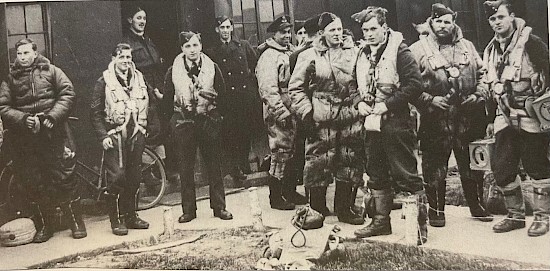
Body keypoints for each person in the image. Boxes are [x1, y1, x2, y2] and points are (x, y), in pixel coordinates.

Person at [409, 3, 493, 227]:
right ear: (431, 22)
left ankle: (476, 205)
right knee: (434, 165)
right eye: (439, 21)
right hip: (436, 117)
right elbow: (409, 85)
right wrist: (430, 100)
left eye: (447, 21)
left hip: (468, 115)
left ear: (453, 22)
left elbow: (484, 74)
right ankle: (436, 210)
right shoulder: (418, 49)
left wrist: (479, 94)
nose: (443, 26)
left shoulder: (467, 46)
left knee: (471, 164)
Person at [349, 7, 427, 244]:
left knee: (405, 173)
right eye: (365, 30)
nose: (370, 34)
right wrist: (358, 102)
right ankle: (381, 222)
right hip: (371, 123)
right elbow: (353, 83)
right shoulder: (362, 52)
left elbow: (415, 84)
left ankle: (418, 227)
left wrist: (388, 105)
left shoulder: (399, 50)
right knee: (376, 172)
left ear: (384, 28)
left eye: (374, 29)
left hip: (396, 122)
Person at [0, 38, 86, 242]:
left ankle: (75, 222)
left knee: (64, 176)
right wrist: (23, 119)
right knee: (36, 181)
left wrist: (52, 117)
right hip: (27, 139)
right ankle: (47, 226)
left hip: (54, 133)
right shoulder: (10, 79)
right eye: (19, 54)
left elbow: (68, 94)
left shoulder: (51, 71)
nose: (22, 58)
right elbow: (3, 106)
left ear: (35, 53)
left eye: (26, 53)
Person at [288, 12, 365, 225]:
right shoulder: (310, 55)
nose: (337, 34)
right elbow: (295, 88)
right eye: (332, 30)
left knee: (349, 161)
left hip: (350, 117)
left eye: (340, 29)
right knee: (318, 162)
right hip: (321, 118)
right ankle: (316, 210)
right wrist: (306, 114)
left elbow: (363, 83)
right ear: (322, 33)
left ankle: (345, 209)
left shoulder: (356, 53)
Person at [482, 0, 550, 237]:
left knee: (537, 166)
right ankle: (515, 215)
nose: (497, 22)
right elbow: (491, 86)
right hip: (504, 115)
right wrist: (491, 119)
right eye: (492, 19)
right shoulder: (490, 49)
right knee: (501, 167)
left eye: (501, 17)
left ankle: (542, 218)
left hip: (531, 115)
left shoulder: (532, 43)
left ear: (511, 16)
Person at [161, 32, 233, 223]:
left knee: (214, 165)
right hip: (184, 122)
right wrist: (173, 124)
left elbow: (223, 95)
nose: (192, 50)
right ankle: (189, 210)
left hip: (208, 119)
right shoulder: (173, 71)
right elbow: (167, 101)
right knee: (186, 167)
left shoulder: (212, 68)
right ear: (182, 49)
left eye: (195, 45)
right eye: (187, 47)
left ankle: (219, 207)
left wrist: (218, 119)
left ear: (200, 46)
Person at [91, 43, 151, 236]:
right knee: (117, 176)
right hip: (114, 135)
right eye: (122, 57)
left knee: (134, 177)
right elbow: (95, 112)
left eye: (128, 57)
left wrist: (148, 128)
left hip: (137, 134)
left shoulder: (139, 78)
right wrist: (102, 136)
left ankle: (131, 217)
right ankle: (116, 221)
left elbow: (151, 103)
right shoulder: (104, 82)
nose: (126, 61)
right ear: (114, 59)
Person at [204, 16, 261, 185]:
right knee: (230, 133)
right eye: (222, 27)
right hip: (227, 99)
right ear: (217, 30)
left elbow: (255, 65)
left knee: (245, 131)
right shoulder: (212, 51)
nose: (225, 30)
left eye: (228, 27)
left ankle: (243, 163)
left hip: (245, 97)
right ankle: (235, 167)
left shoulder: (243, 46)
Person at [256, 16, 301, 210]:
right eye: (282, 32)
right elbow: (268, 89)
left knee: (294, 152)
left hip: (295, 108)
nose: (287, 35)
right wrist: (281, 113)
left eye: (288, 31)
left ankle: (289, 191)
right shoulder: (269, 56)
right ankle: (276, 196)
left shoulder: (290, 51)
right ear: (274, 34)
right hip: (279, 111)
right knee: (280, 152)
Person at [121, 6, 166, 170]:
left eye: (144, 18)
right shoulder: (127, 43)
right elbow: (133, 71)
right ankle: (148, 172)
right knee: (150, 130)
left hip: (157, 90)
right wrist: (149, 91)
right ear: (130, 20)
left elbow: (157, 67)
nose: (142, 21)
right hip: (143, 92)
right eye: (138, 18)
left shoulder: (148, 40)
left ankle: (161, 169)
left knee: (160, 130)